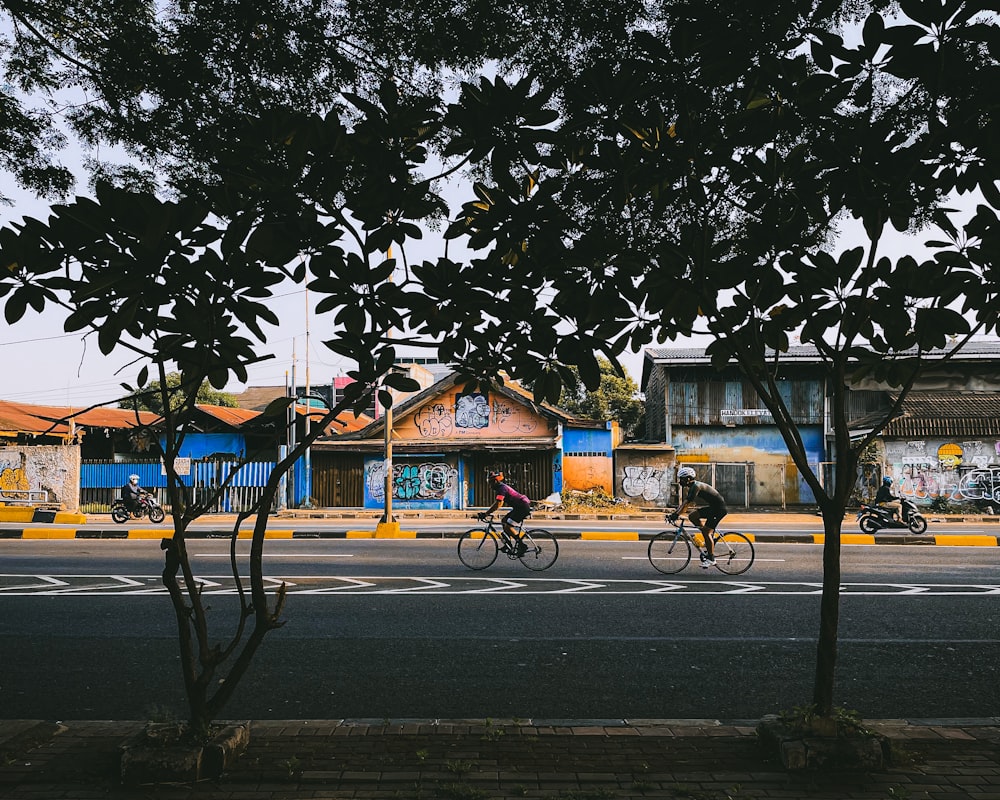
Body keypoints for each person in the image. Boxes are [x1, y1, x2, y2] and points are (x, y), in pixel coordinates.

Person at [669, 466, 728, 568]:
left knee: (706, 531)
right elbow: (685, 503)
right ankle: (708, 538)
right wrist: (675, 513)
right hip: (713, 507)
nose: (680, 482)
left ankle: (711, 559)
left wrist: (676, 515)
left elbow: (686, 504)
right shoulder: (693, 487)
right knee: (692, 516)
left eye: (681, 479)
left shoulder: (696, 487)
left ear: (688, 479)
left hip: (719, 510)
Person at [479, 471, 532, 556]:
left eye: (490, 483)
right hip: (519, 507)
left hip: (522, 507)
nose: (490, 486)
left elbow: (498, 504)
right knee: (504, 521)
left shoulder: (501, 488)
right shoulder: (501, 488)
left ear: (495, 481)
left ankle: (522, 546)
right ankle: (508, 545)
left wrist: (486, 514)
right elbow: (499, 503)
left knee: (508, 527)